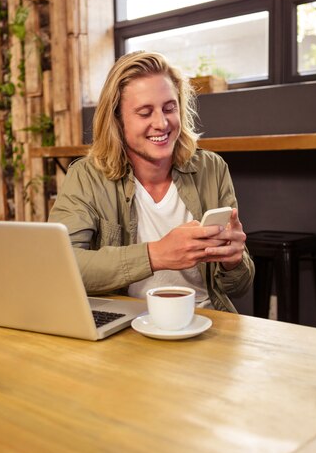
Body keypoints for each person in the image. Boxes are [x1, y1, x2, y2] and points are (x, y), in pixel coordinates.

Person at [49, 51, 254, 312]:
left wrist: (234, 261)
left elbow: (239, 287)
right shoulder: (86, 177)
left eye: (170, 108)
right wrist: (155, 255)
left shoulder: (211, 168)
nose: (162, 123)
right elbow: (61, 266)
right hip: (127, 326)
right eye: (145, 113)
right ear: (117, 119)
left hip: (205, 319)